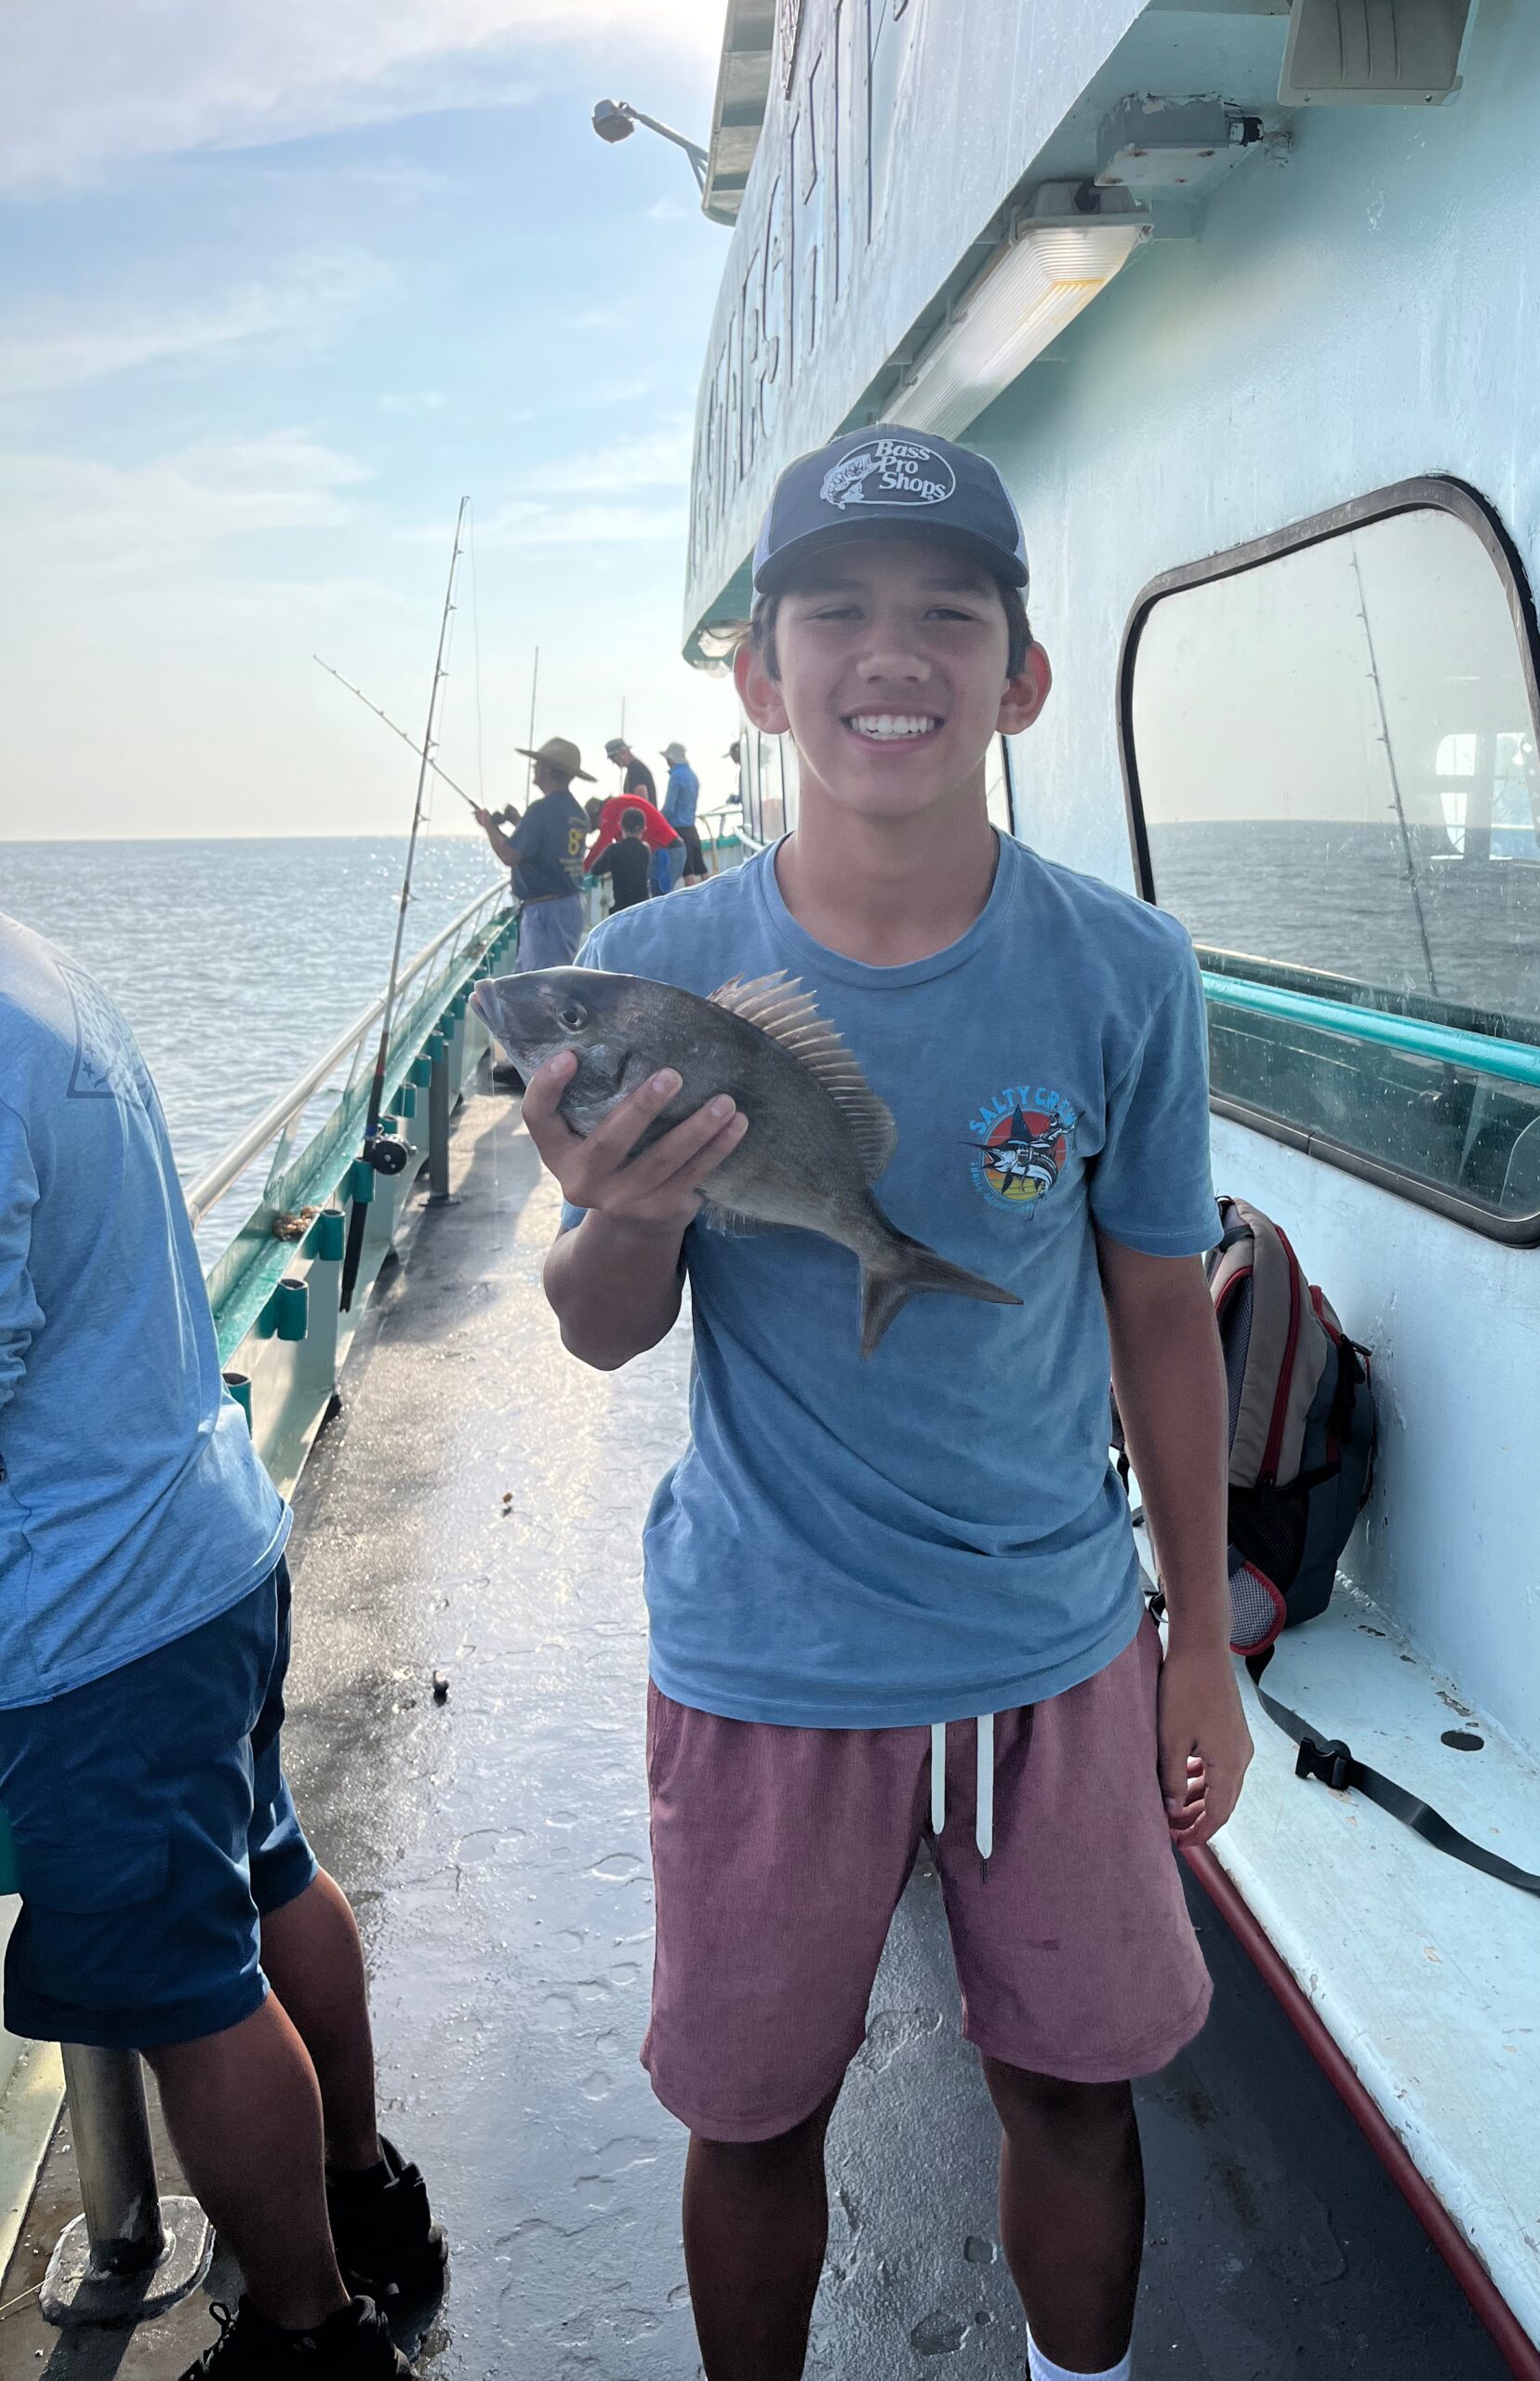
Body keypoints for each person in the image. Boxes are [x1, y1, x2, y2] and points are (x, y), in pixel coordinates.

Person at [519, 428, 1250, 2381]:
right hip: (770, 1647)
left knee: (1084, 2097)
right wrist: (616, 1215)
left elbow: (1167, 1317)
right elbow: (598, 1330)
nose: (886, 652)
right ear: (761, 676)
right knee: (751, 2116)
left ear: (1019, 672)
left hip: (1057, 1642)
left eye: (947, 610)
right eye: (833, 610)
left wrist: (1200, 1640)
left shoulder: (1127, 969)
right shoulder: (653, 968)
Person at [0, 914, 445, 2380]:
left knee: (194, 1996)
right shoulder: (33, 962)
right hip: (200, 1554)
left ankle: (311, 2341)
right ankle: (367, 2200)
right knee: (265, 1873)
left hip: (88, 1628)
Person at [475, 736, 591, 970]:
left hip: (546, 914)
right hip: (568, 905)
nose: (534, 768)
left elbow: (509, 855)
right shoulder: (576, 811)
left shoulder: (541, 810)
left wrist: (487, 824)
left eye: (537, 764)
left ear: (547, 769)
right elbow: (548, 845)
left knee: (540, 985)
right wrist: (518, 821)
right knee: (553, 976)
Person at [582, 785, 684, 891]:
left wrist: (583, 870)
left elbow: (602, 843)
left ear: (595, 815)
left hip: (667, 852)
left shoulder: (610, 809)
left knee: (659, 901)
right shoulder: (617, 806)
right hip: (667, 850)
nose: (598, 828)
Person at [584, 806, 653, 912]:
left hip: (622, 909)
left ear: (620, 826)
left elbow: (596, 869)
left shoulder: (614, 849)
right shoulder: (645, 849)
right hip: (642, 907)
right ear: (644, 828)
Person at [659, 742, 708, 885]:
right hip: (692, 828)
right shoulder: (692, 776)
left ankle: (692, 906)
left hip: (679, 830)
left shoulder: (675, 777)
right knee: (701, 867)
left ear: (671, 759)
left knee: (688, 871)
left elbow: (669, 808)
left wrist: (658, 819)